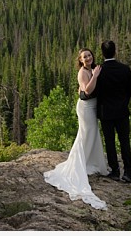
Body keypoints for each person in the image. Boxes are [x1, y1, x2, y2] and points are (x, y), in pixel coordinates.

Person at [43, 48, 110, 209]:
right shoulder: (83, 72)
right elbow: (86, 90)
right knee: (86, 134)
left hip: (93, 106)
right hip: (86, 108)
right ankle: (79, 164)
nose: (88, 58)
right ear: (80, 60)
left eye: (89, 55)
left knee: (92, 134)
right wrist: (95, 75)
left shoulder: (92, 68)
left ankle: (90, 162)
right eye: (84, 57)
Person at [95, 39, 131, 183]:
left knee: (110, 141)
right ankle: (128, 172)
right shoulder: (125, 69)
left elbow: (97, 92)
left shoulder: (99, 71)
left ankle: (115, 170)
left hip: (106, 112)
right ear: (115, 51)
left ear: (102, 53)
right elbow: (130, 89)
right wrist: (124, 102)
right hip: (122, 110)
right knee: (125, 141)